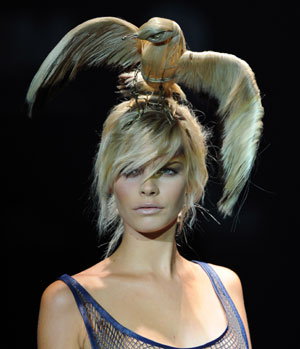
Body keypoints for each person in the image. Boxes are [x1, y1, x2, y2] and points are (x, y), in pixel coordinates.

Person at [26, 17, 264, 348]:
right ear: (109, 179)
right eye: (132, 170)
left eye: (167, 169)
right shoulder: (69, 304)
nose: (148, 187)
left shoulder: (226, 288)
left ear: (192, 181)